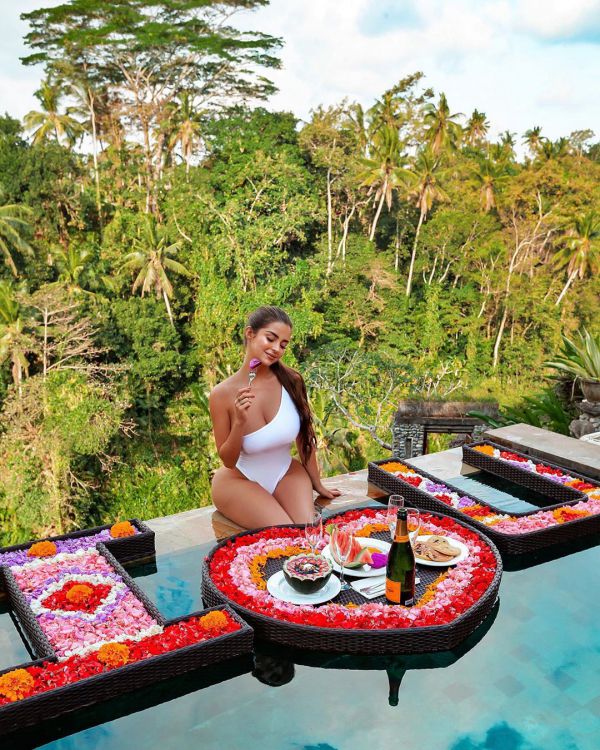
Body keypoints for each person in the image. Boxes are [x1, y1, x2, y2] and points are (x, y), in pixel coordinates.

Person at [210, 306, 340, 528]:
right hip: (239, 481)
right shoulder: (221, 394)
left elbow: (305, 438)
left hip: (286, 473)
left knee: (309, 532)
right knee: (285, 537)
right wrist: (239, 422)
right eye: (270, 339)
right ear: (250, 333)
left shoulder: (292, 381)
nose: (276, 349)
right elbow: (228, 461)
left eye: (283, 344)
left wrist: (317, 484)